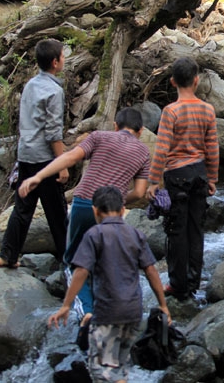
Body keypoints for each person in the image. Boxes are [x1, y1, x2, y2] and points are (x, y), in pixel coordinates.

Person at [18, 107, 151, 335]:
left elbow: (70, 157)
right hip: (114, 213)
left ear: (116, 126)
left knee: (74, 261)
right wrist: (117, 201)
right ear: (140, 131)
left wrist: (38, 176)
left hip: (84, 204)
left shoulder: (100, 136)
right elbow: (139, 193)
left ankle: (86, 313)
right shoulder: (143, 153)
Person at [48, 185, 171, 383]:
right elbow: (151, 271)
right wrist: (163, 305)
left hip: (107, 312)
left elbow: (80, 271)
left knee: (104, 372)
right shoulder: (135, 234)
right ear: (123, 210)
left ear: (95, 210)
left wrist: (66, 305)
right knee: (117, 365)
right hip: (133, 311)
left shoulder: (94, 235)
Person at [146, 57, 219, 301]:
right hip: (199, 173)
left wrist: (154, 181)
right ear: (196, 81)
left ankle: (177, 284)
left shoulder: (171, 111)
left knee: (176, 231)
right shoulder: (207, 110)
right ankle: (193, 282)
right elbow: (213, 148)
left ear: (173, 82)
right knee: (196, 230)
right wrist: (213, 178)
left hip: (176, 176)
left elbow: (162, 149)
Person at [0, 39, 69, 269]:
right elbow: (53, 133)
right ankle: (69, 261)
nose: (64, 59)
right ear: (55, 62)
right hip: (44, 158)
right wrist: (62, 164)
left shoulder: (31, 84)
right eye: (63, 56)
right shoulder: (54, 91)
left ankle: (7, 255)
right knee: (57, 212)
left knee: (23, 208)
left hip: (25, 153)